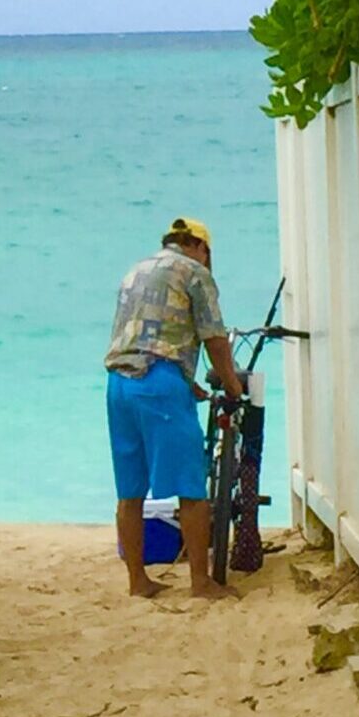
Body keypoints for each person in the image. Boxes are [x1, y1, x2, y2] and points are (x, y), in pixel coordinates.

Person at [105, 216, 245, 600]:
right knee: (191, 486)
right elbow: (215, 340)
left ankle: (138, 581)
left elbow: (147, 337)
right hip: (160, 385)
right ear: (201, 247)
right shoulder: (194, 272)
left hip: (119, 383)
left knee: (130, 492)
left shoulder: (137, 270)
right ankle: (201, 582)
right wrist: (231, 385)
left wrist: (189, 384)